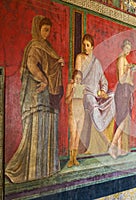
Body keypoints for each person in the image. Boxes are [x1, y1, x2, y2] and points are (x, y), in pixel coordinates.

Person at [5, 15, 64, 183]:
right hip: (37, 92)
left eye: (49, 31)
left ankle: (45, 168)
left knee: (46, 126)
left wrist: (58, 61)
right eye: (45, 30)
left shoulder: (46, 46)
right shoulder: (35, 46)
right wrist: (44, 80)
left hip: (46, 94)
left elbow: (49, 64)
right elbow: (31, 65)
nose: (46, 33)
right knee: (37, 127)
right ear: (38, 29)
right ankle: (30, 171)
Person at [75, 34, 116, 154]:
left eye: (87, 45)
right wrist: (78, 95)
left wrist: (103, 91)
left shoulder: (96, 62)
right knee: (93, 106)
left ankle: (102, 123)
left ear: (92, 47)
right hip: (86, 93)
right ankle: (108, 143)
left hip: (97, 94)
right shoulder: (80, 58)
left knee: (113, 97)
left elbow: (103, 80)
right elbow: (77, 78)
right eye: (84, 45)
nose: (85, 47)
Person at [108, 39, 136, 159]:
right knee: (123, 120)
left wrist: (132, 71)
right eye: (127, 48)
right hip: (122, 92)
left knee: (122, 119)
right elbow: (122, 80)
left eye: (130, 48)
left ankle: (119, 149)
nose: (128, 50)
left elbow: (129, 81)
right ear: (123, 47)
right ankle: (112, 146)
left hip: (126, 91)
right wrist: (128, 70)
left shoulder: (126, 60)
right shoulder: (122, 59)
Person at [65, 70, 85, 167]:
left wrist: (84, 94)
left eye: (80, 79)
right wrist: (73, 92)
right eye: (77, 78)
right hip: (73, 113)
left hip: (81, 113)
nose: (78, 81)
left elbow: (83, 102)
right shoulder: (70, 86)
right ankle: (70, 159)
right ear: (73, 79)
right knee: (73, 136)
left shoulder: (82, 87)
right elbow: (66, 101)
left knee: (78, 136)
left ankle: (74, 158)